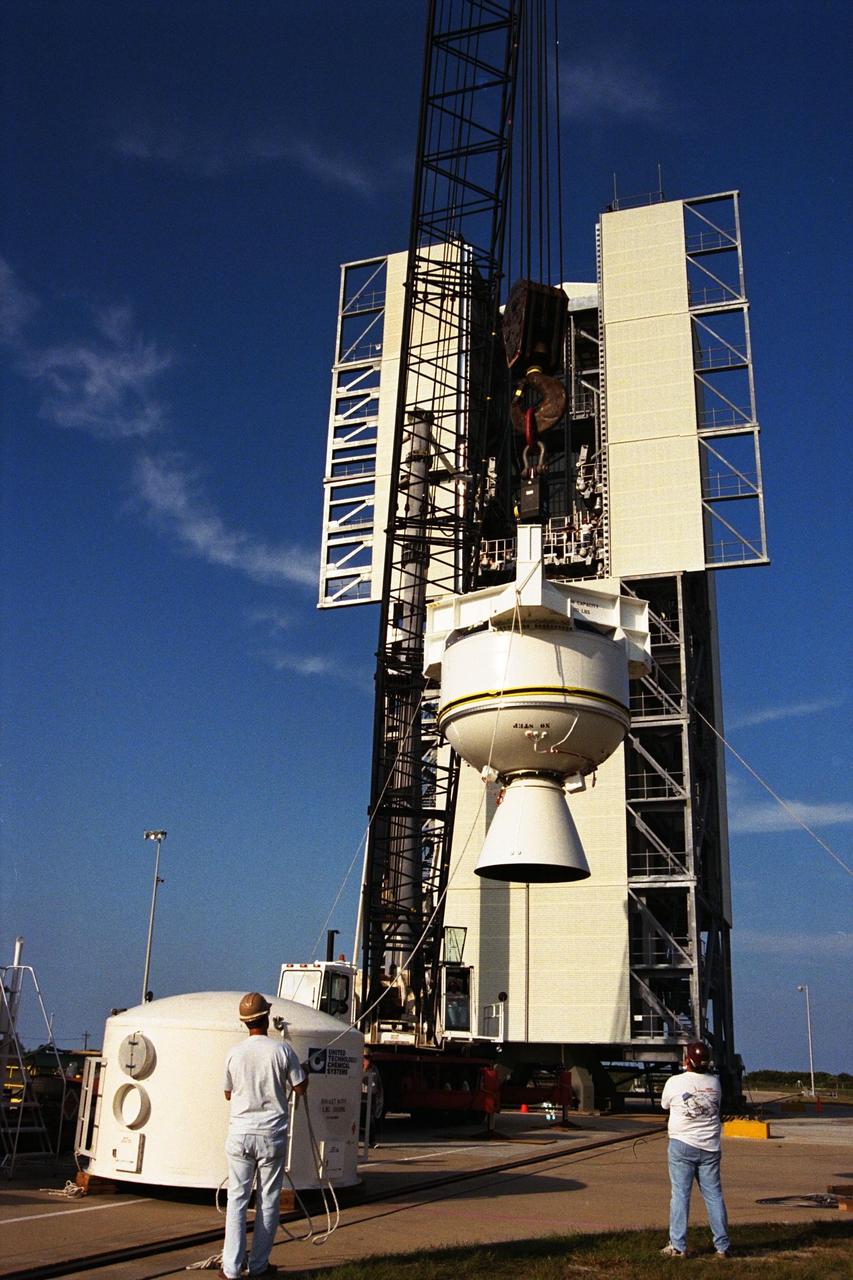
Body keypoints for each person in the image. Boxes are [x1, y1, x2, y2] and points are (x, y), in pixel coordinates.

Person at [220, 992, 307, 1280]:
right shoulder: (282, 1051)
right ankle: (258, 1266)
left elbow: (228, 1092)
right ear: (267, 1017)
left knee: (237, 1201)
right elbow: (300, 1088)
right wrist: (303, 1074)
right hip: (271, 1135)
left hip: (240, 1134)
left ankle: (231, 1269)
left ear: (245, 1022)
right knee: (268, 1201)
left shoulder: (234, 1052)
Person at [660, 1040, 731, 1259]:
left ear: (687, 1061)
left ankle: (678, 1245)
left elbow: (664, 1105)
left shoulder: (674, 1082)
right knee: (714, 1195)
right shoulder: (715, 1083)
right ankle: (722, 1246)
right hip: (710, 1147)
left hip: (682, 1145)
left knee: (680, 1195)